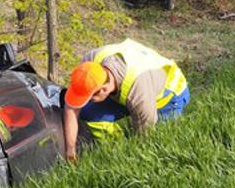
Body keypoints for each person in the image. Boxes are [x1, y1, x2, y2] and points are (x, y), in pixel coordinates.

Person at [62, 39, 190, 162]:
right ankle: (114, 144)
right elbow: (71, 108)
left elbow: (145, 139)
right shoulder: (89, 64)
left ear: (104, 89)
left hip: (171, 94)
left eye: (90, 97)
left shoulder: (139, 96)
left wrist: (130, 155)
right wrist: (70, 151)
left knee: (156, 144)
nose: (88, 100)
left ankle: (123, 151)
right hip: (131, 84)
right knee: (87, 113)